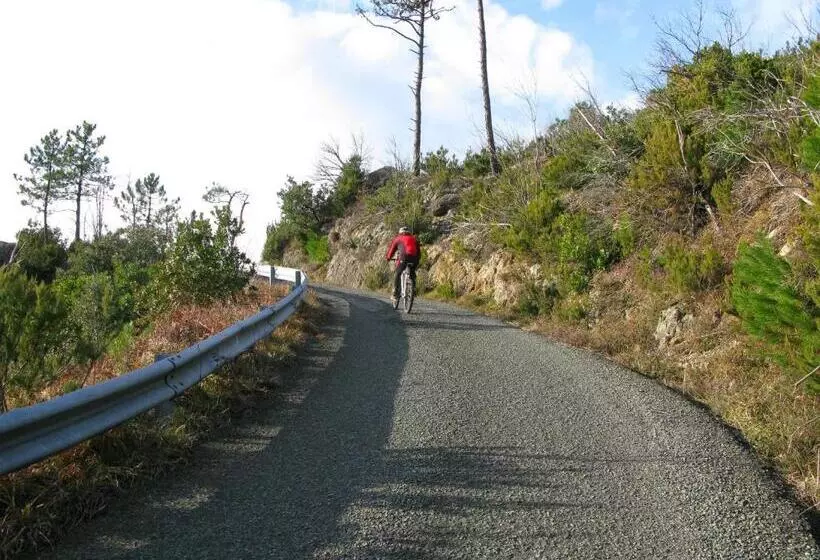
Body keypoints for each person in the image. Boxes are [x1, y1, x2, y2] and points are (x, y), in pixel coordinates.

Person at [385, 226, 420, 304]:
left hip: (404, 258)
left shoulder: (398, 238)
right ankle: (413, 288)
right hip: (414, 258)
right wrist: (417, 261)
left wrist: (388, 257)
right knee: (412, 273)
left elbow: (392, 250)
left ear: (400, 233)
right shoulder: (414, 239)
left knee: (398, 273)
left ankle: (394, 293)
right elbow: (418, 251)